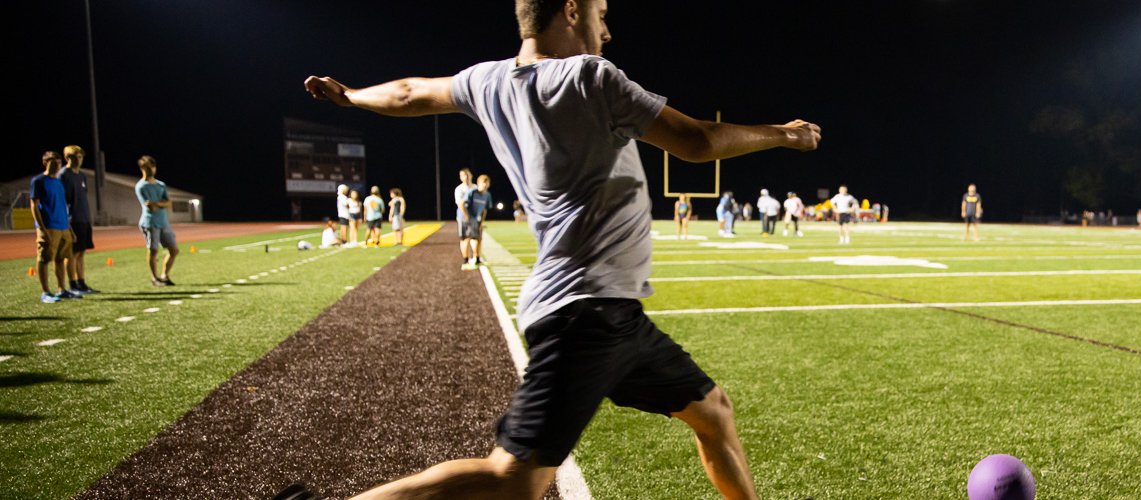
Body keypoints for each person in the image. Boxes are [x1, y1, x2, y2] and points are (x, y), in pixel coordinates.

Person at [301, 0, 820, 495]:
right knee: (511, 481)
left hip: (613, 312)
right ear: (571, 11)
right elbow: (697, 141)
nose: (606, 31)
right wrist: (784, 134)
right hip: (585, 311)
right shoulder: (590, 76)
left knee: (713, 411)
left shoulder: (487, 80)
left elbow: (408, 92)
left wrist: (352, 96)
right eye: (601, 15)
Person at [32, 151, 81, 303]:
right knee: (44, 259)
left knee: (61, 259)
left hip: (63, 227)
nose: (57, 165)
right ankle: (45, 292)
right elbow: (34, 205)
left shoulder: (59, 183)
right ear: (45, 162)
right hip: (49, 226)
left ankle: (61, 289)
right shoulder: (38, 181)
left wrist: (70, 229)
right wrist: (42, 228)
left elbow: (63, 207)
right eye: (53, 161)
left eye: (59, 162)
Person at [59, 145, 98, 294]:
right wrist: (67, 223)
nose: (79, 160)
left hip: (84, 219)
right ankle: (73, 285)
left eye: (80, 157)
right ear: (67, 158)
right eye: (75, 157)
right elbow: (61, 201)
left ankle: (82, 283)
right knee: (71, 254)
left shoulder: (82, 176)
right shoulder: (63, 175)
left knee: (81, 252)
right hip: (72, 220)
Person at [136, 155, 179, 287]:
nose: (151, 170)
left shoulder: (161, 185)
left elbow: (169, 203)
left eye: (152, 167)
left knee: (174, 250)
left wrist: (158, 204)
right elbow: (150, 207)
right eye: (147, 167)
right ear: (142, 168)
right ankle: (154, 278)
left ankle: (164, 275)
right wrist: (161, 204)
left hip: (163, 222)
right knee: (153, 251)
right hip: (150, 223)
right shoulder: (141, 186)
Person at [460, 175, 493, 270]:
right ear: (478, 183)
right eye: (483, 183)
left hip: (477, 220)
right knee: (467, 239)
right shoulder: (472, 192)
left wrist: (482, 222)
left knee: (479, 239)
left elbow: (485, 210)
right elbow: (461, 204)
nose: (485, 185)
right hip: (468, 219)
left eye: (487, 183)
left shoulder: (487, 195)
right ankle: (465, 261)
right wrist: (467, 216)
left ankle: (477, 259)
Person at [455, 168, 476, 261]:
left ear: (471, 175)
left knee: (475, 238)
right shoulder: (459, 189)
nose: (466, 177)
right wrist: (466, 216)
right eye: (463, 175)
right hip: (463, 216)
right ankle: (465, 259)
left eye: (467, 174)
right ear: (460, 177)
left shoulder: (475, 187)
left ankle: (476, 257)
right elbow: (460, 204)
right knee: (464, 238)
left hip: (474, 216)